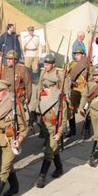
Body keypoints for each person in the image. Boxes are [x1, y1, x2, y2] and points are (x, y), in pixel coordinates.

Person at [34, 52, 69, 188]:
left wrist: (60, 133)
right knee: (53, 149)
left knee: (49, 150)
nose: (46, 88)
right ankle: (59, 168)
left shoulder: (60, 99)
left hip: (55, 128)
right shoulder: (44, 92)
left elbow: (63, 119)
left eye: (48, 64)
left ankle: (42, 177)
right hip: (45, 125)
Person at [66, 44, 89, 138]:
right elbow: (68, 74)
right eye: (75, 54)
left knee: (85, 109)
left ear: (83, 55)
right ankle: (72, 130)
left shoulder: (88, 64)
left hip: (84, 89)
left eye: (78, 54)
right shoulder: (72, 64)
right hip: (74, 89)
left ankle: (87, 130)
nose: (76, 56)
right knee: (71, 108)